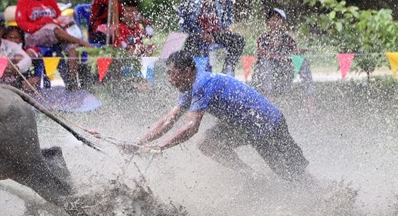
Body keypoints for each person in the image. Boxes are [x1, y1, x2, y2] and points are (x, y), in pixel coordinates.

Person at [130, 50, 308, 181]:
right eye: (167, 73)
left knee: (291, 173)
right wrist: (137, 143)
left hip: (267, 122)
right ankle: (252, 176)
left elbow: (192, 127)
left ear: (186, 71)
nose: (169, 78)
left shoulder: (202, 82)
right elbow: (167, 121)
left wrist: (161, 146)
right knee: (206, 143)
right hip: (243, 125)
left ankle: (319, 194)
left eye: (171, 73)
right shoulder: (189, 87)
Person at [15, 0, 92, 88]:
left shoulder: (49, 1)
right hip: (34, 37)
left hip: (54, 36)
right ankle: (81, 41)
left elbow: (59, 18)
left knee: (73, 48)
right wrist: (44, 25)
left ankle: (72, 82)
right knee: (52, 28)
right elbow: (22, 24)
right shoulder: (23, 2)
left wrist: (63, 23)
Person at [178, 0, 244, 76]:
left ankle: (227, 71)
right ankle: (197, 75)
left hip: (216, 31)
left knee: (238, 40)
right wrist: (200, 32)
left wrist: (226, 26)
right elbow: (184, 17)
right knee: (192, 43)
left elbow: (228, 10)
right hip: (196, 32)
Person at [251, 8, 315, 101]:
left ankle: (310, 99)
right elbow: (264, 54)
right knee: (265, 61)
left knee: (302, 61)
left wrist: (298, 52)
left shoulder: (288, 40)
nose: (275, 22)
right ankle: (268, 99)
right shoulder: (263, 38)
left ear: (284, 23)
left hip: (283, 77)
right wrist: (284, 57)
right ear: (267, 23)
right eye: (272, 19)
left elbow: (294, 53)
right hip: (265, 80)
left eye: (278, 19)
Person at [3, 25, 42, 92]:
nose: (13, 40)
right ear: (5, 38)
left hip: (26, 84)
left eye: (16, 38)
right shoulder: (0, 51)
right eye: (10, 37)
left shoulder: (28, 51)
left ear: (21, 40)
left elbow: (35, 54)